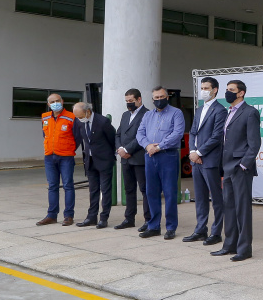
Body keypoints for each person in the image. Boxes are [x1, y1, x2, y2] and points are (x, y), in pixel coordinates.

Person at [211, 80, 261, 262]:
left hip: (240, 169)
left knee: (242, 209)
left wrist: (243, 165)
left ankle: (244, 248)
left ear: (241, 93)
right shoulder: (228, 113)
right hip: (227, 167)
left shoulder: (250, 113)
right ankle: (229, 245)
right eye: (227, 90)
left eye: (231, 90)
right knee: (229, 208)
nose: (227, 93)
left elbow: (254, 144)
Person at [136, 86, 185, 240]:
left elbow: (177, 134)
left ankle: (170, 227)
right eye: (156, 98)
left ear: (167, 97)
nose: (159, 100)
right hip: (150, 156)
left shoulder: (176, 113)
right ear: (152, 99)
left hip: (167, 156)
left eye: (161, 97)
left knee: (170, 193)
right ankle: (153, 226)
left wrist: (158, 147)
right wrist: (147, 146)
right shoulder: (148, 115)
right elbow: (140, 133)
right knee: (151, 192)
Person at [183, 77, 227, 245]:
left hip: (210, 161)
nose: (203, 90)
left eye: (206, 87)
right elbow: (193, 132)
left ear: (215, 90)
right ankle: (200, 230)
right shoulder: (199, 109)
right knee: (200, 197)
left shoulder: (220, 110)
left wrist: (200, 152)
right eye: (202, 87)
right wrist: (193, 152)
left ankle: (216, 233)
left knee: (216, 198)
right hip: (197, 161)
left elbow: (217, 137)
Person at [73, 102, 117, 228]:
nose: (79, 119)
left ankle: (104, 218)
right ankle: (91, 217)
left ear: (88, 112)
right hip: (90, 161)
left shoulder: (102, 122)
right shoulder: (79, 122)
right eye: (77, 117)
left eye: (81, 116)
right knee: (93, 190)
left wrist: (110, 156)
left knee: (106, 190)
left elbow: (112, 139)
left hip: (104, 160)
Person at [37, 94, 78, 227]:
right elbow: (45, 134)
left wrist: (69, 147)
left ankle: (68, 215)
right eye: (52, 102)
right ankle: (51, 215)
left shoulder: (71, 117)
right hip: (49, 156)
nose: (55, 103)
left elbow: (77, 137)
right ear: (48, 104)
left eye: (57, 101)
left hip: (66, 156)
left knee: (68, 185)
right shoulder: (45, 117)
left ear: (62, 101)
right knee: (52, 186)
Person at [114, 89, 150, 231]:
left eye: (131, 101)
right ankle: (129, 218)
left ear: (139, 99)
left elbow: (143, 136)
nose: (129, 104)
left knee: (145, 190)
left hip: (139, 157)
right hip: (125, 159)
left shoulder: (146, 114)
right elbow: (118, 134)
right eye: (127, 101)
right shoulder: (125, 115)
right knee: (129, 189)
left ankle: (148, 220)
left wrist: (127, 150)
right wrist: (120, 149)